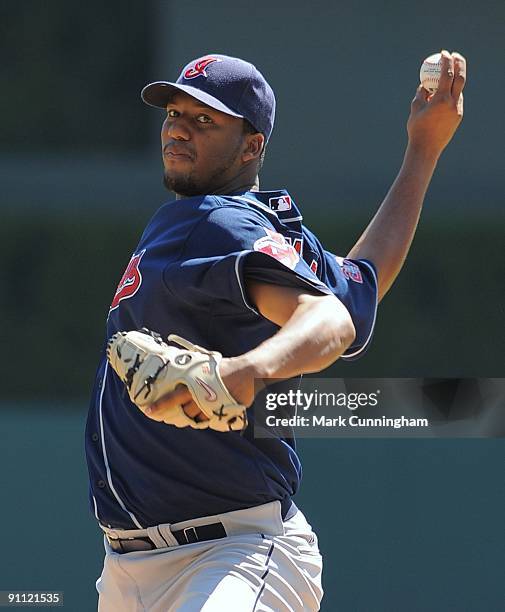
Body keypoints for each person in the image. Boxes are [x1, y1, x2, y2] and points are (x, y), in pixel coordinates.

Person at [86, 51, 466, 611]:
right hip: (128, 570)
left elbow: (329, 319)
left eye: (205, 119)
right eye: (174, 113)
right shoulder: (264, 228)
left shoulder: (216, 221)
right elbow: (360, 284)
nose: (178, 129)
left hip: (229, 557)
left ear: (252, 145)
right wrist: (424, 148)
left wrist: (245, 371)